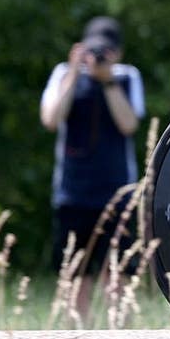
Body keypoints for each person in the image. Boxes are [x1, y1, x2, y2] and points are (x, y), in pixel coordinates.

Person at [39, 16, 145, 317]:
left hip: (118, 193)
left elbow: (129, 124)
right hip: (72, 193)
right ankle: (76, 338)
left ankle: (120, 338)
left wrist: (108, 81)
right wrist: (75, 73)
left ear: (118, 53)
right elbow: (51, 119)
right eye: (94, 50)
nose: (99, 57)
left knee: (117, 273)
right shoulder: (64, 73)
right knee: (75, 274)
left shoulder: (127, 77)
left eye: (106, 51)